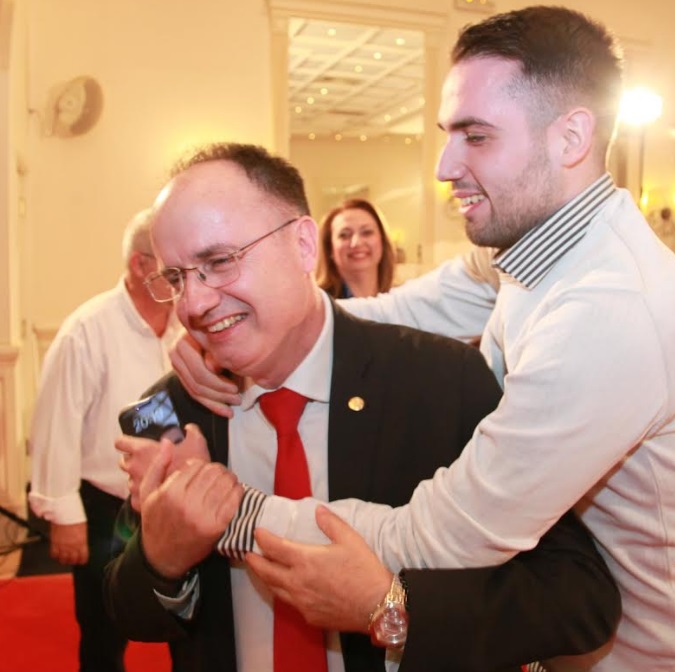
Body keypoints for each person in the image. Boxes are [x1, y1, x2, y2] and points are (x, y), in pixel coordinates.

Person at [168, 7, 675, 671]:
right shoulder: (535, 251)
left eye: (476, 136)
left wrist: (226, 508)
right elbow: (389, 312)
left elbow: (445, 534)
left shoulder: (609, 309)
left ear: (570, 138)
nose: (444, 166)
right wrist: (236, 321)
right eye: (448, 134)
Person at [105, 143, 619, 672]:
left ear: (304, 245)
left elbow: (577, 597)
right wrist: (162, 559)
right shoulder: (162, 412)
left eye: (219, 262)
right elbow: (125, 608)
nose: (192, 304)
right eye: (175, 278)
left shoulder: (440, 383)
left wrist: (392, 607)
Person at [28, 210, 180, 672]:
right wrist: (65, 515)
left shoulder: (188, 323)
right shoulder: (87, 330)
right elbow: (56, 425)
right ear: (140, 265)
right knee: (103, 630)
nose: (188, 271)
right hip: (107, 509)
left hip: (177, 503)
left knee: (189, 625)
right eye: (174, 261)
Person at [316, 198, 395, 298]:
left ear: (382, 241)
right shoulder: (318, 303)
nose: (356, 243)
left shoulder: (401, 300)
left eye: (367, 232)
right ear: (329, 248)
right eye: (344, 235)